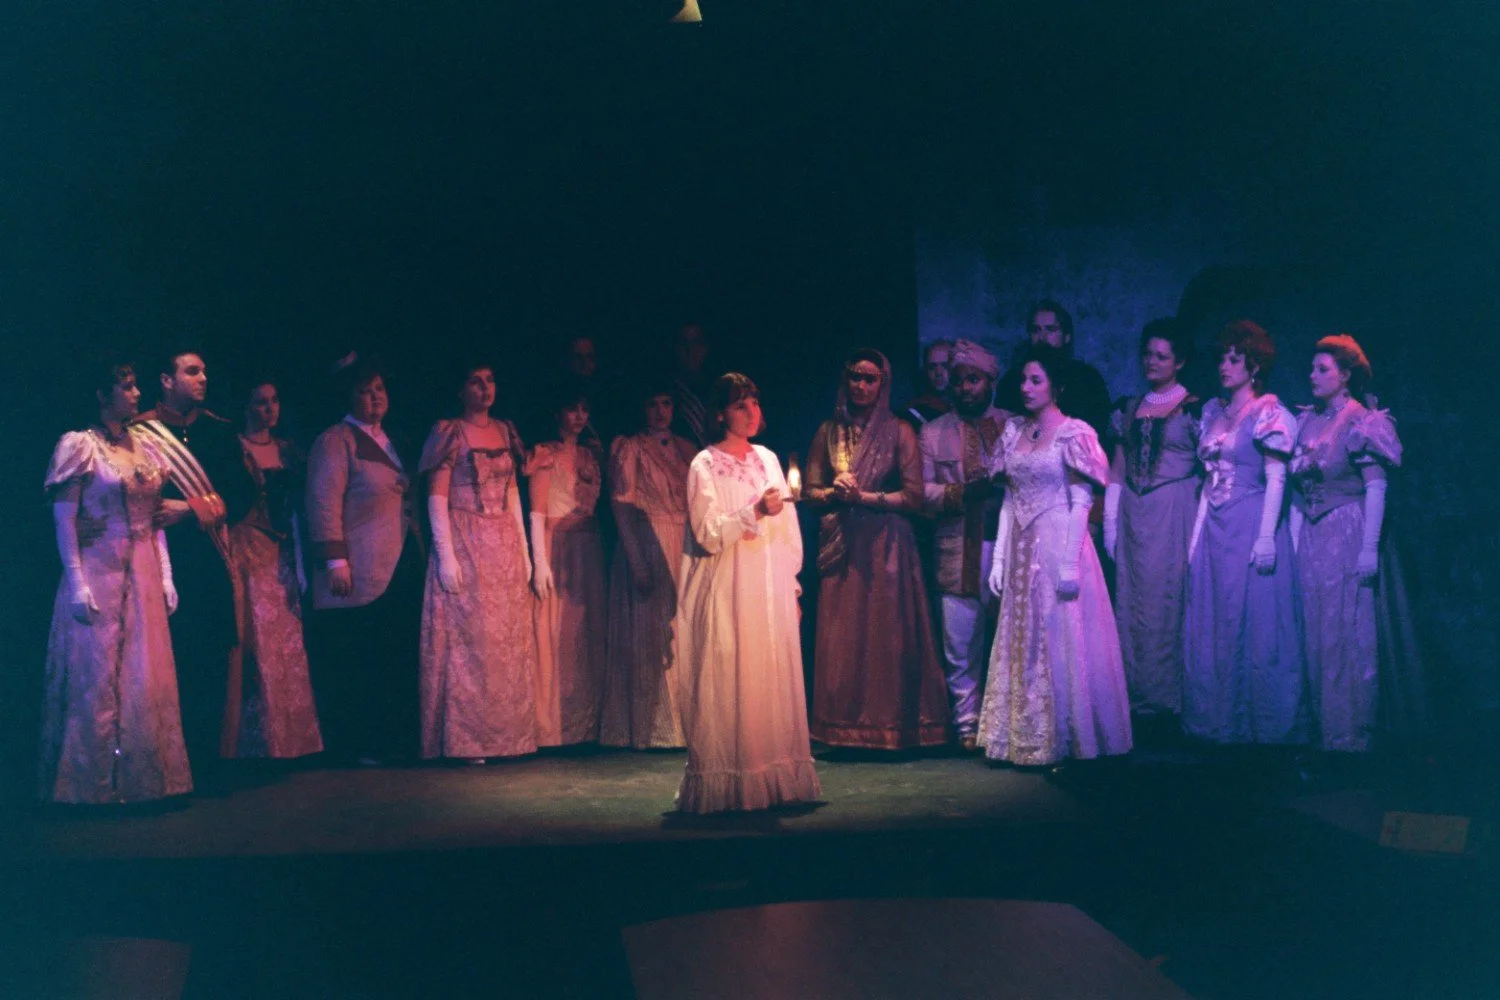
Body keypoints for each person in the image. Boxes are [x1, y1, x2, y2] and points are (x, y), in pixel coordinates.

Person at [41, 356, 192, 803]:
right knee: (98, 672)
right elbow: (65, 518)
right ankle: (92, 784)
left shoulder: (147, 447)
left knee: (144, 673)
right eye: (126, 387)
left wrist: (166, 573)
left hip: (143, 568)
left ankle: (145, 780)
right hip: (100, 567)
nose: (136, 394)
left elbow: (155, 516)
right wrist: (76, 582)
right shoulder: (80, 445)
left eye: (134, 385)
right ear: (102, 395)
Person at [674, 373, 822, 813]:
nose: (752, 412)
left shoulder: (767, 459)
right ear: (721, 414)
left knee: (769, 674)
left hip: (768, 584)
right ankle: (732, 783)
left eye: (755, 402)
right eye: (741, 405)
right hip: (729, 585)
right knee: (731, 675)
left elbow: (789, 527)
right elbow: (707, 533)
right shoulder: (704, 464)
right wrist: (754, 509)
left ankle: (778, 780)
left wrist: (792, 585)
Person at [980, 345, 1132, 766]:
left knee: (1060, 635)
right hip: (1021, 544)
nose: (1026, 388)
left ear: (1056, 386)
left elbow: (1082, 500)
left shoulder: (1074, 432)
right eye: (1024, 380)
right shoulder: (1013, 432)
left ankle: (1066, 737)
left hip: (1059, 542)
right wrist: (998, 559)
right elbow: (1011, 497)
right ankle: (1020, 737)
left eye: (1036, 380)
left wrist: (1068, 562)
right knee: (1021, 637)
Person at [805, 349, 950, 750]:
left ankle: (892, 727)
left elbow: (916, 497)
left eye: (871, 379)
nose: (862, 386)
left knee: (885, 635)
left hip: (887, 543)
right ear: (845, 380)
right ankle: (842, 729)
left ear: (883, 384)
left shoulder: (899, 430)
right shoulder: (828, 432)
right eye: (856, 377)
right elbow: (808, 492)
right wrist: (833, 492)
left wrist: (865, 497)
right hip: (843, 544)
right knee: (845, 636)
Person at [1290, 335, 1423, 754]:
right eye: (1312, 368)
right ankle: (1320, 730)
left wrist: (1368, 547)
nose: (1313, 376)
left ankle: (1348, 734)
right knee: (1314, 630)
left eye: (1322, 369)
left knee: (1345, 631)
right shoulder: (1308, 420)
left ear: (1345, 376)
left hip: (1346, 530)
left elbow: (1376, 487)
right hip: (1312, 536)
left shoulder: (1360, 420)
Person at [134, 348, 256, 788]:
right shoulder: (140, 432)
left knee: (209, 661)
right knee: (167, 663)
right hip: (159, 561)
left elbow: (242, 495)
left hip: (210, 559)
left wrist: (191, 508)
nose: (203, 378)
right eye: (192, 371)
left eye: (204, 370)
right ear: (166, 380)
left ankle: (206, 764)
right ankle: (168, 765)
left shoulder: (220, 432)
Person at [1182, 321, 1308, 746]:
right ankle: (1217, 720)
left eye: (1235, 359)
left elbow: (1276, 478)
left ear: (1254, 366)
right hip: (1217, 526)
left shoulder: (1269, 413)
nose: (1225, 365)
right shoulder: (1214, 413)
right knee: (1215, 619)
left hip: (1250, 521)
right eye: (1222, 357)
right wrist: (1196, 536)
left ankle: (1263, 726)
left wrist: (1267, 536)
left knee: (1256, 622)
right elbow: (1207, 482)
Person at [305, 356, 426, 765]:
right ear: (349, 396)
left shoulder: (392, 440)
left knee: (392, 652)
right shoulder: (336, 440)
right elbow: (323, 502)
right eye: (364, 391)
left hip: (399, 558)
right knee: (361, 655)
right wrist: (335, 560)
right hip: (361, 563)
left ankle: (394, 738)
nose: (374, 398)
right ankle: (360, 744)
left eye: (379, 390)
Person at [418, 363, 539, 762]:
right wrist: (446, 556)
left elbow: (514, 495)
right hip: (466, 539)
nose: (485, 388)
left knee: (505, 643)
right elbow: (437, 496)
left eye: (490, 380)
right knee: (474, 643)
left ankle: (509, 737)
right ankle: (468, 741)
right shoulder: (450, 432)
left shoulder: (505, 431)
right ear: (460, 389)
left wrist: (525, 554)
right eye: (475, 381)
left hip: (502, 541)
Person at [1105, 319, 1203, 724]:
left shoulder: (1196, 409)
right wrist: (1111, 521)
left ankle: (1172, 699)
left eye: (1162, 356)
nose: (1152, 362)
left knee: (1170, 601)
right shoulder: (1128, 407)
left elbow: (1211, 468)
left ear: (1179, 361)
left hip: (1174, 511)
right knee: (1133, 603)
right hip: (1134, 514)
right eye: (1148, 354)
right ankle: (1136, 698)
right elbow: (1117, 466)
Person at [919, 340, 1012, 751]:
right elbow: (920, 493)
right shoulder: (933, 431)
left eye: (973, 380)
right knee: (960, 643)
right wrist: (962, 493)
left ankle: (1006, 724)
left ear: (991, 381)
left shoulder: (1014, 426)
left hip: (1011, 548)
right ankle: (966, 726)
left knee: (1011, 640)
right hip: (958, 547)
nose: (964, 388)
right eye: (957, 381)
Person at [599, 381, 697, 749]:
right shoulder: (630, 448)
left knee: (680, 634)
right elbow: (621, 505)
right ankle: (650, 727)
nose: (660, 411)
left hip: (682, 542)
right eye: (653, 403)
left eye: (667, 402)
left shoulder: (688, 449)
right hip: (647, 540)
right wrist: (637, 560)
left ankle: (685, 725)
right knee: (649, 634)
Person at [228, 380, 323, 760]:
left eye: (274, 401)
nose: (270, 409)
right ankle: (257, 744)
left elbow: (300, 502)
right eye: (261, 402)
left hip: (283, 547)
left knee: (287, 640)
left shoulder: (288, 450)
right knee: (258, 639)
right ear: (247, 407)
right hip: (248, 544)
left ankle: (293, 741)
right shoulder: (236, 448)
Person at [528, 390, 608, 747]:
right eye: (571, 408)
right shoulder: (546, 453)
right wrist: (539, 561)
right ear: (557, 413)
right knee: (557, 631)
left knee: (584, 632)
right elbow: (538, 510)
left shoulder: (591, 454)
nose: (578, 415)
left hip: (587, 546)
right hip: (557, 545)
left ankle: (587, 724)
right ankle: (554, 727)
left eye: (583, 408)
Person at [996, 301, 1113, 440]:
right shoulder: (1013, 380)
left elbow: (1097, 429)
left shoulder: (1088, 379)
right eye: (1036, 330)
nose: (1042, 337)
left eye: (1051, 329)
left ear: (1067, 336)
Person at [669, 322, 713, 448]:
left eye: (696, 342)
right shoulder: (668, 392)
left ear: (705, 349)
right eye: (684, 343)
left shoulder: (718, 390)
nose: (690, 350)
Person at [902, 339, 955, 426]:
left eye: (945, 366)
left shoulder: (970, 406)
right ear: (925, 371)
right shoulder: (914, 410)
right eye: (932, 367)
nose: (938, 372)